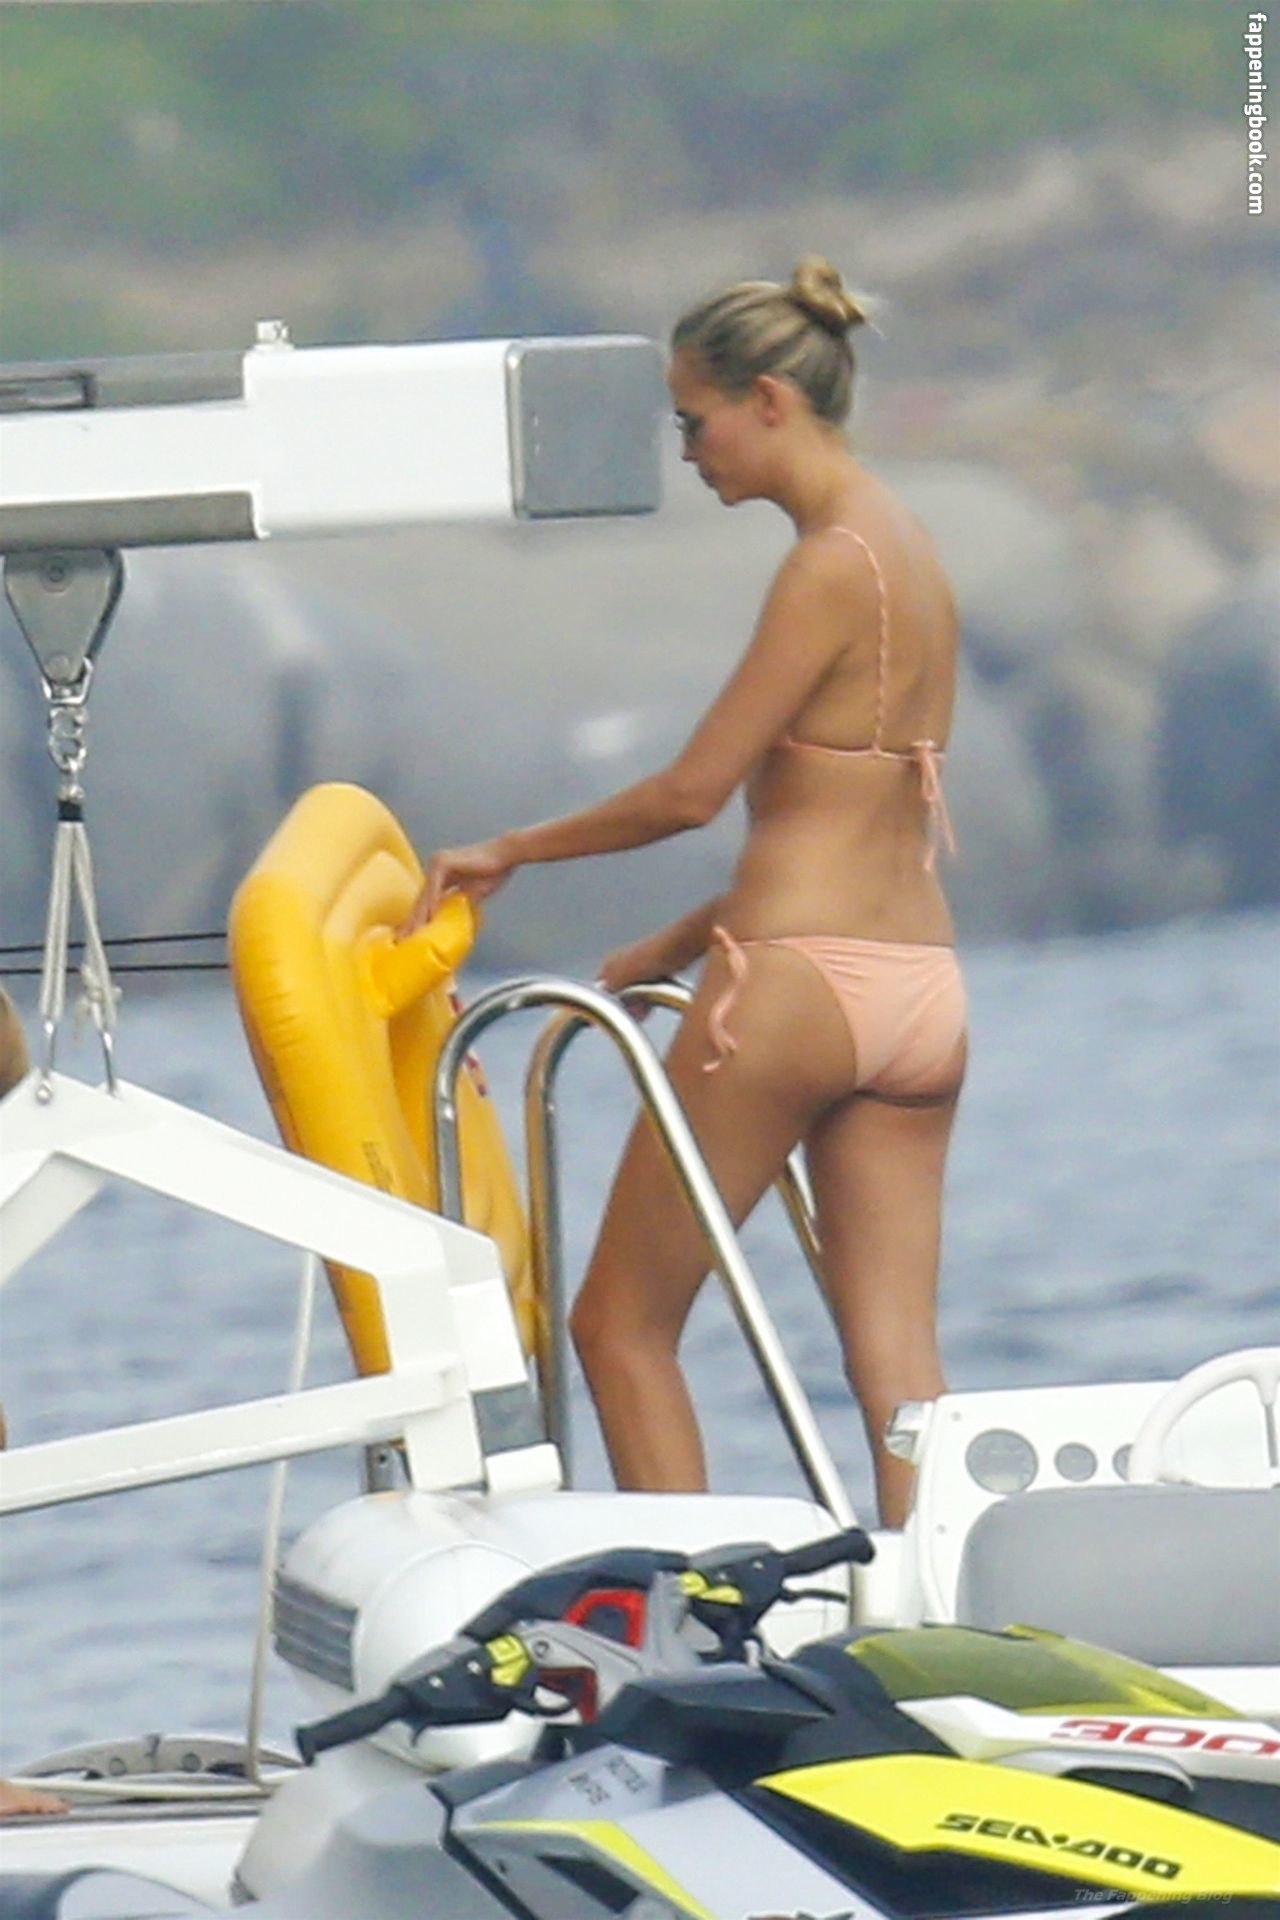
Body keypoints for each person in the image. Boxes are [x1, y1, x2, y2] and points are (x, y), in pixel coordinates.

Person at [403, 257, 966, 1527]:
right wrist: (669, 941)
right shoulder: (912, 550)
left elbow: (689, 793)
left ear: (767, 401)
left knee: (619, 1326)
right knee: (898, 1368)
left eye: (691, 420)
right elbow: (846, 815)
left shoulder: (826, 564)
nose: (687, 452)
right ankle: (938, 1595)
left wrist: (510, 848)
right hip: (920, 995)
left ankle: (699, 1614)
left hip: (794, 991)